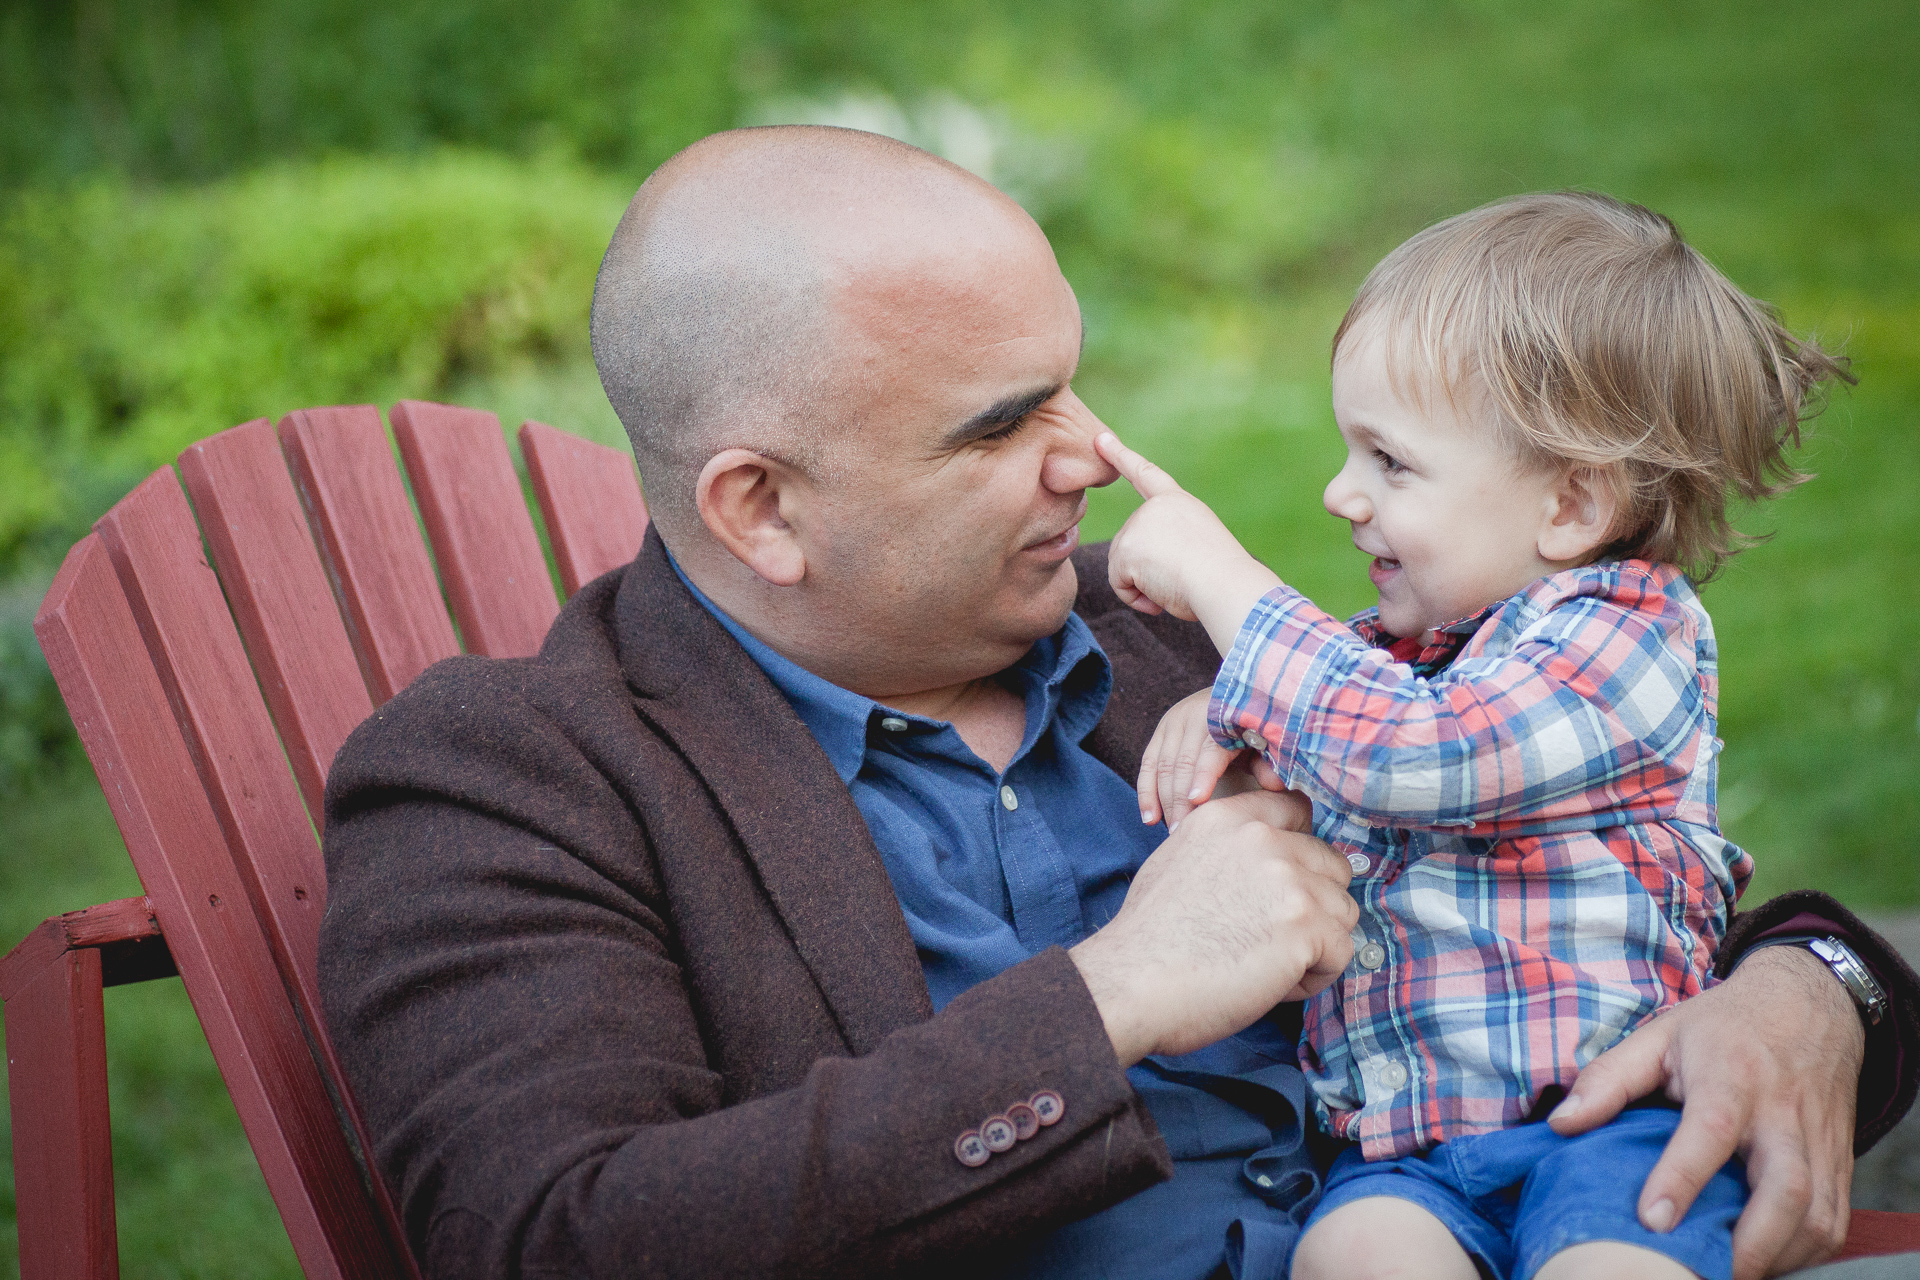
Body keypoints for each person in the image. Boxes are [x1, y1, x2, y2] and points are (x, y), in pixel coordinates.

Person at [316, 128, 1917, 1280]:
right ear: (761, 509)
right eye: (1003, 424)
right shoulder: (514, 777)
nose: (1087, 456)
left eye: (1073, 384)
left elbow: (1578, 868)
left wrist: (1820, 990)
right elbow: (553, 1236)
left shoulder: (1154, 645)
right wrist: (1120, 993)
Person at [1093, 192, 1858, 1280]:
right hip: (1406, 1150)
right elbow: (1336, 710)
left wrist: (1225, 579)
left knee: (1611, 1265)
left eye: (1389, 463)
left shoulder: (1628, 635)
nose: (1339, 493)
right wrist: (1220, 714)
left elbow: (1424, 756)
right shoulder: (1397, 660)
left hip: (1610, 1123)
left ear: (1569, 507)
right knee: (1349, 1256)